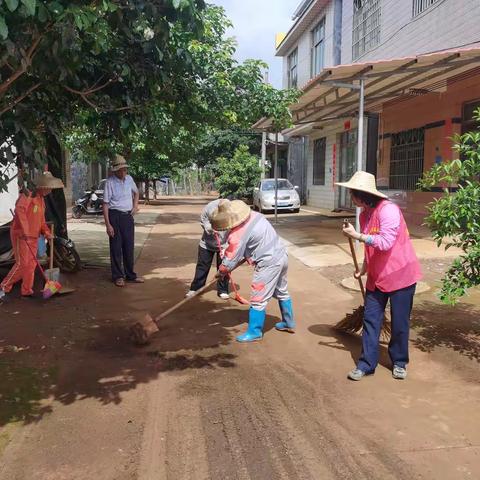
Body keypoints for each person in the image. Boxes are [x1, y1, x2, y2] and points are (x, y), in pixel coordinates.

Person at [336, 171, 422, 381]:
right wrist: (364, 269)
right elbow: (371, 247)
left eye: (352, 194)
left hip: (401, 274)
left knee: (400, 322)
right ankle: (366, 364)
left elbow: (385, 243)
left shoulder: (389, 210)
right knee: (371, 319)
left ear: (361, 194)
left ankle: (399, 361)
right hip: (377, 276)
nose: (350, 198)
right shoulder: (365, 214)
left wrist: (357, 235)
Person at [211, 199, 295, 342]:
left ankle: (254, 332)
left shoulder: (237, 234)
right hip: (281, 255)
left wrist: (222, 271)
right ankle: (288, 322)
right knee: (282, 290)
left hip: (268, 263)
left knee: (258, 297)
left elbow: (230, 259)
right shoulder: (256, 215)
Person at [0, 171, 64, 299]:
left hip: (34, 236)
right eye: (49, 188)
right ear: (42, 186)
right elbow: (20, 210)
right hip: (21, 235)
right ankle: (4, 287)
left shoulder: (41, 200)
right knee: (22, 263)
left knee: (31, 264)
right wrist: (25, 230)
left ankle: (27, 290)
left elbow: (41, 220)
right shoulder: (28, 194)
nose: (50, 191)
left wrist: (46, 232)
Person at [103, 155, 144, 287]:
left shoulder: (129, 179)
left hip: (127, 217)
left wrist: (135, 206)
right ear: (115, 171)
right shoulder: (109, 182)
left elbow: (136, 192)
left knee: (128, 246)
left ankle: (130, 275)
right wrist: (108, 224)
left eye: (125, 170)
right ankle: (118, 276)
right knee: (116, 247)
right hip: (114, 216)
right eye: (120, 170)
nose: (123, 172)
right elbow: (105, 204)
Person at [186, 199, 230, 299]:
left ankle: (223, 289)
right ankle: (195, 288)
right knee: (202, 266)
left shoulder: (234, 212)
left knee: (224, 267)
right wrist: (209, 228)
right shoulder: (209, 208)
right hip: (207, 242)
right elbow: (203, 220)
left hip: (224, 244)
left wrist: (228, 244)